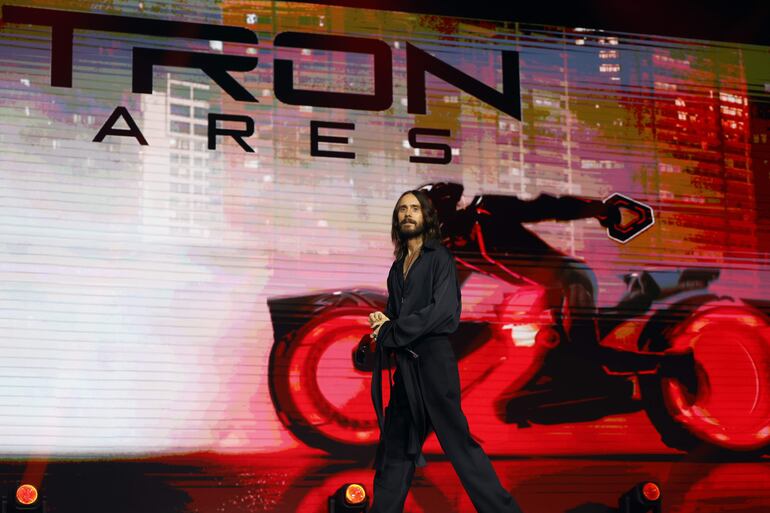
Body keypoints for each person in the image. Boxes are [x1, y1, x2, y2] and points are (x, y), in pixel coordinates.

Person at [366, 189, 524, 513]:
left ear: (427, 217)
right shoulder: (397, 268)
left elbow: (443, 312)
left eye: (414, 208)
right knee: (395, 450)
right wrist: (378, 332)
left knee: (459, 447)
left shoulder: (439, 257)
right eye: (402, 209)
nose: (407, 214)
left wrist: (392, 330)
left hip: (434, 363)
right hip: (406, 371)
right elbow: (394, 317)